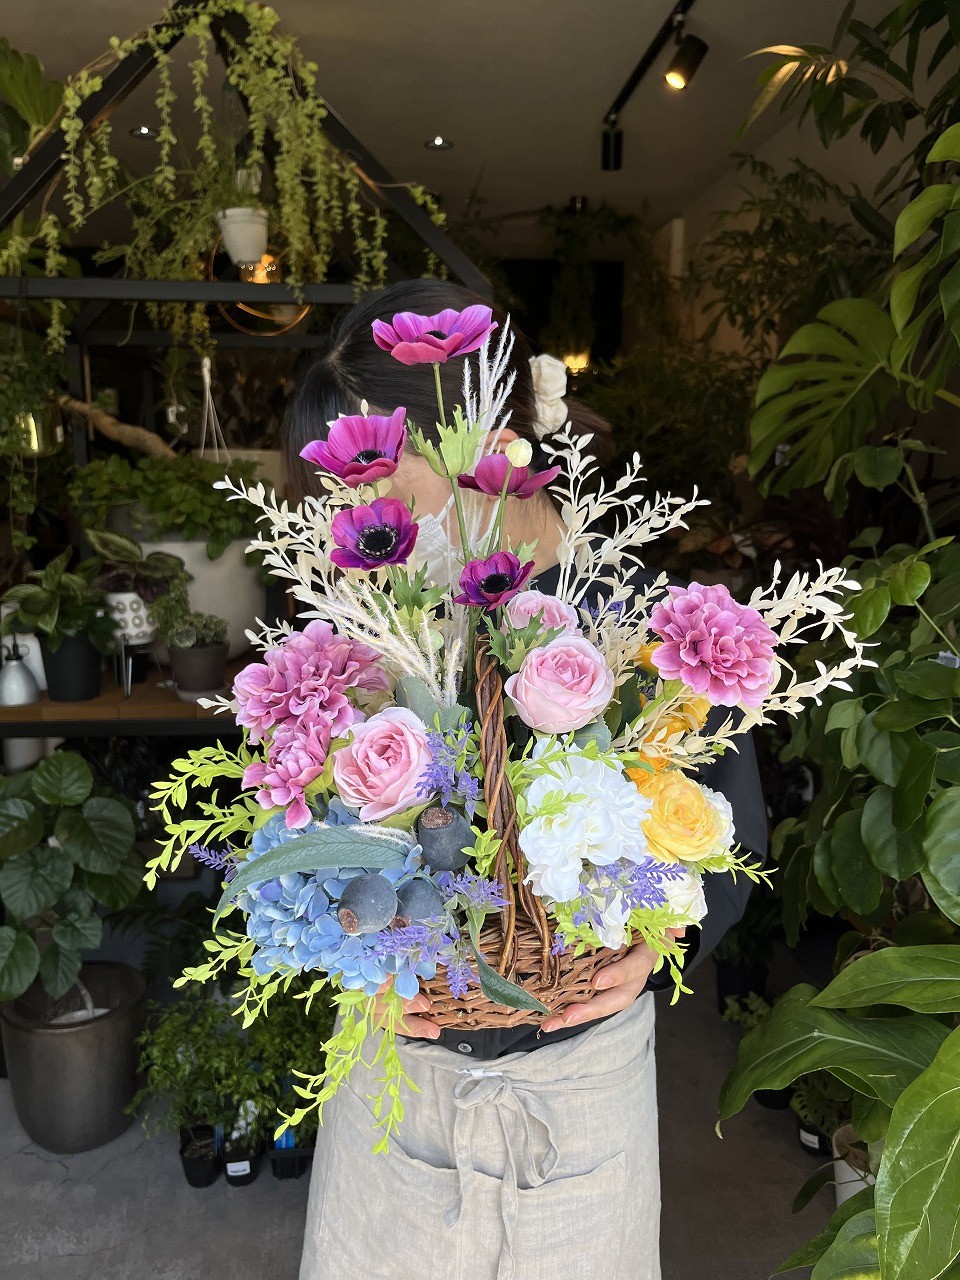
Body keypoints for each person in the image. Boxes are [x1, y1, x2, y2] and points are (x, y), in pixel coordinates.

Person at [285, 280, 767, 1280]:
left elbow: (732, 825)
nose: (363, 529)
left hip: (578, 1083)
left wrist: (662, 935)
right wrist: (345, 957)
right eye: (344, 498)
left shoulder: (628, 619)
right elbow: (289, 837)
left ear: (477, 441)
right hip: (400, 1074)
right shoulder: (370, 631)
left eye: (382, 486)